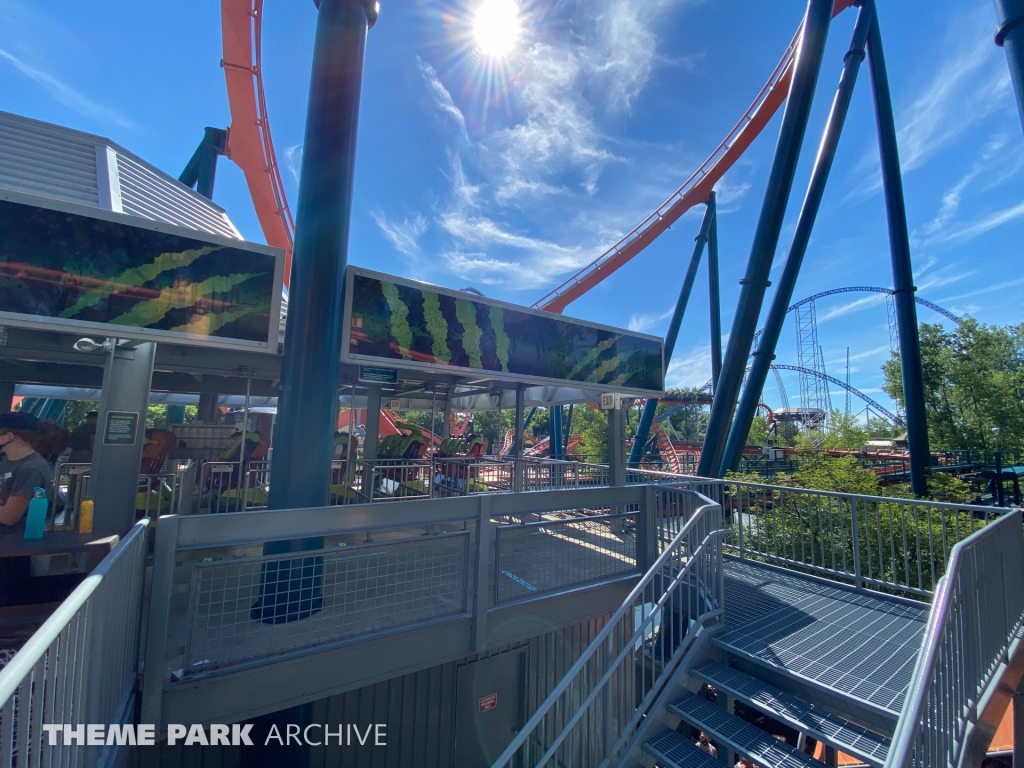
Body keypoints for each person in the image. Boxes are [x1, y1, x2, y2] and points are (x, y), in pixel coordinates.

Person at [0, 412, 55, 607]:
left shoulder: (31, 468)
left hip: (13, 549)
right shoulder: (7, 461)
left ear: (9, 436)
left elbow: (9, 516)